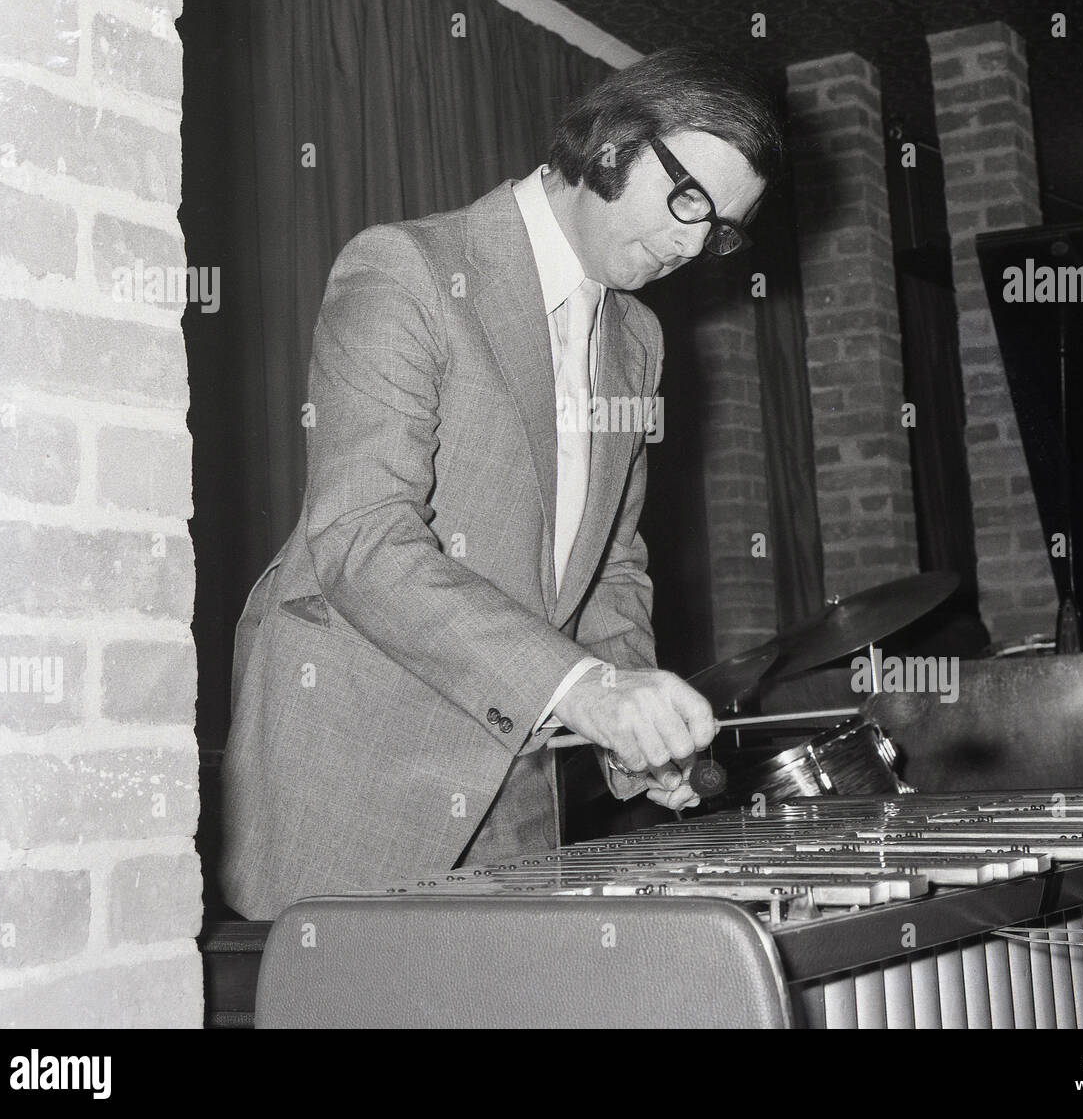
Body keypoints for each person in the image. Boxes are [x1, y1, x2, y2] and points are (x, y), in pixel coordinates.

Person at [220, 47, 785, 920]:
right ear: (610, 145)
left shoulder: (637, 339)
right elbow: (361, 539)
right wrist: (586, 691)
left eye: (722, 230)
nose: (694, 243)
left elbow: (609, 571)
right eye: (688, 201)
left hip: (515, 767)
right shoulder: (406, 269)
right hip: (355, 754)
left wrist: (635, 730)